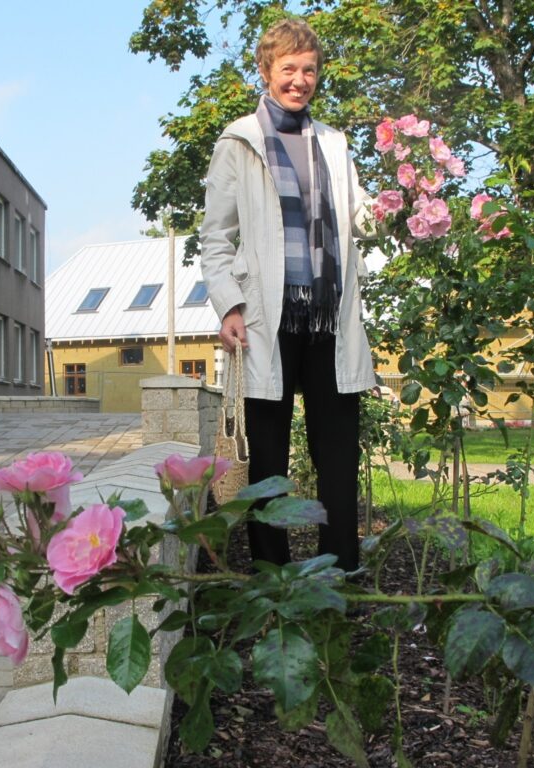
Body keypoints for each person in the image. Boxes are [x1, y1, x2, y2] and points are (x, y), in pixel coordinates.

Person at [200, 17, 376, 572]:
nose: (300, 80)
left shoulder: (334, 142)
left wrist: (396, 203)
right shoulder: (239, 142)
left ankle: (340, 571)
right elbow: (215, 236)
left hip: (329, 319)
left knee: (338, 457)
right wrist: (229, 303)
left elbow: (359, 217)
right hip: (267, 321)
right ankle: (273, 578)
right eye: (289, 69)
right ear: (267, 71)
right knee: (268, 461)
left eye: (309, 70)